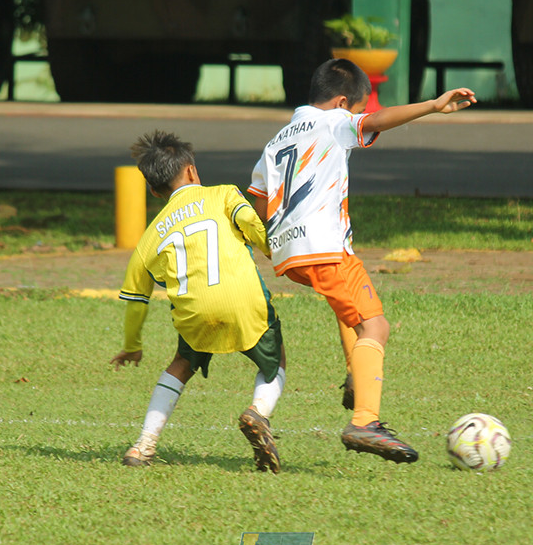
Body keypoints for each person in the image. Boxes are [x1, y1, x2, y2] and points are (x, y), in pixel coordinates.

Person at [248, 58, 476, 464]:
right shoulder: (333, 122)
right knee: (376, 324)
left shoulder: (277, 139)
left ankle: (356, 373)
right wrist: (433, 105)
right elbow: (377, 121)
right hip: (323, 245)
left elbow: (259, 197)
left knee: (349, 309)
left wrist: (278, 240)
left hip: (288, 252)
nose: (359, 118)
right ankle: (364, 421)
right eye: (356, 109)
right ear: (340, 102)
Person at [112, 130, 287, 473]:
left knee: (181, 363)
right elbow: (255, 228)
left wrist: (132, 345)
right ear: (191, 170)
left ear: (153, 190)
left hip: (194, 313)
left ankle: (142, 446)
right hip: (243, 301)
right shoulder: (224, 195)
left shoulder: (149, 236)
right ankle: (257, 412)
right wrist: (276, 252)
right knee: (274, 360)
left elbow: (136, 301)